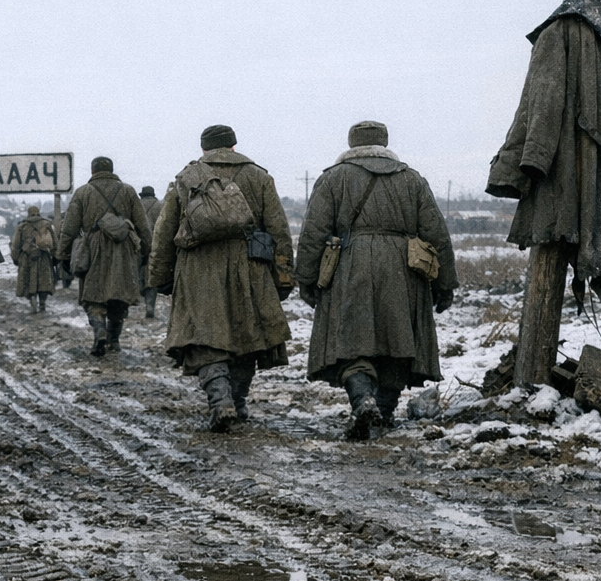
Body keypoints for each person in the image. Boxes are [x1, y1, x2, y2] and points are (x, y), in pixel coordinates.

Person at [293, 120, 458, 439]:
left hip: (350, 266)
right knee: (397, 345)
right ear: (385, 143)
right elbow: (437, 234)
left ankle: (364, 401)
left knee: (353, 343)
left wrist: (307, 278)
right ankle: (382, 411)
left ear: (352, 143)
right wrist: (444, 284)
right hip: (404, 270)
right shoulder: (412, 180)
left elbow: (313, 233)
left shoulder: (333, 178)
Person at [146, 125, 292, 431]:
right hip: (250, 266)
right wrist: (282, 277)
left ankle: (221, 402)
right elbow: (278, 230)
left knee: (205, 337)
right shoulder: (259, 177)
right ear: (234, 147)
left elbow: (164, 233)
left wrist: (160, 276)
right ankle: (236, 403)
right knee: (246, 337)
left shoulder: (185, 179)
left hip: (198, 269)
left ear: (204, 149)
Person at [59, 156, 151, 356]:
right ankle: (114, 341)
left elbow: (69, 228)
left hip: (93, 249)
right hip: (123, 249)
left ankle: (99, 330)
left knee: (93, 294)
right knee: (120, 294)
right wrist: (146, 251)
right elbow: (143, 226)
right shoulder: (128, 191)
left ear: (92, 172)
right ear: (112, 170)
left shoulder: (83, 192)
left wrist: (63, 254)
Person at [10, 205, 57, 313]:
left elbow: (15, 245)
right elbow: (54, 242)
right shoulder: (46, 224)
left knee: (28, 280)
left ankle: (32, 300)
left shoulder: (22, 226)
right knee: (44, 280)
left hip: (27, 257)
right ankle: (42, 304)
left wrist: (15, 258)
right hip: (44, 256)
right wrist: (55, 256)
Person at [138, 184, 164, 319]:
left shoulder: (137, 205)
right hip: (156, 245)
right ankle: (150, 306)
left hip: (138, 245)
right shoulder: (160, 206)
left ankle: (138, 295)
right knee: (151, 277)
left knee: (138, 273)